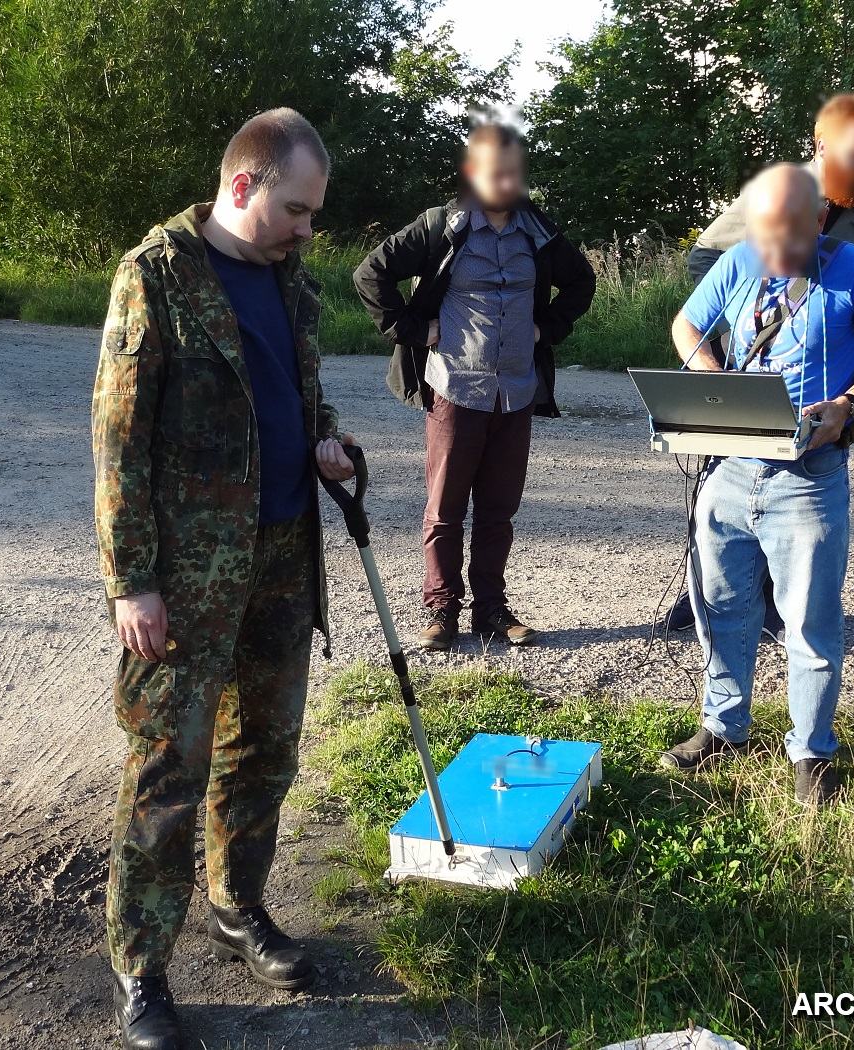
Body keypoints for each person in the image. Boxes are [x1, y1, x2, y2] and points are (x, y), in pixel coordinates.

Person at [91, 107, 355, 1050]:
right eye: (296, 208)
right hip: (189, 577)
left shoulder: (292, 282)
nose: (306, 229)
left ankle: (236, 905)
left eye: (314, 213)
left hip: (284, 556)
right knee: (168, 774)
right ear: (243, 186)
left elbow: (299, 391)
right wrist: (132, 581)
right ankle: (142, 970)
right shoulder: (155, 278)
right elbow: (117, 447)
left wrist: (325, 441)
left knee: (264, 755)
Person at [660, 164, 854, 805]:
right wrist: (712, 379)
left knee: (808, 625)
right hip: (727, 469)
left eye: (788, 240)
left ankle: (811, 753)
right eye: (765, 237)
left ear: (821, 220)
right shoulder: (741, 258)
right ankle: (723, 730)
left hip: (808, 478)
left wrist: (848, 403)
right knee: (721, 611)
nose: (772, 254)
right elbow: (685, 326)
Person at [353, 122, 596, 651]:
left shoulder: (539, 231)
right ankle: (441, 611)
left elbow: (582, 282)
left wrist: (546, 329)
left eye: (513, 173)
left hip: (517, 391)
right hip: (455, 389)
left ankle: (491, 609)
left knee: (498, 509)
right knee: (444, 509)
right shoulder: (443, 226)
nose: (506, 182)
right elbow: (370, 274)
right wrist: (416, 331)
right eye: (495, 173)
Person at [666, 92, 854, 641]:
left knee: (799, 487)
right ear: (821, 146)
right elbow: (709, 259)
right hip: (746, 364)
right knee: (722, 483)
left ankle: (773, 601)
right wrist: (724, 363)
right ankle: (708, 593)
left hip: (819, 379)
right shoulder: (772, 191)